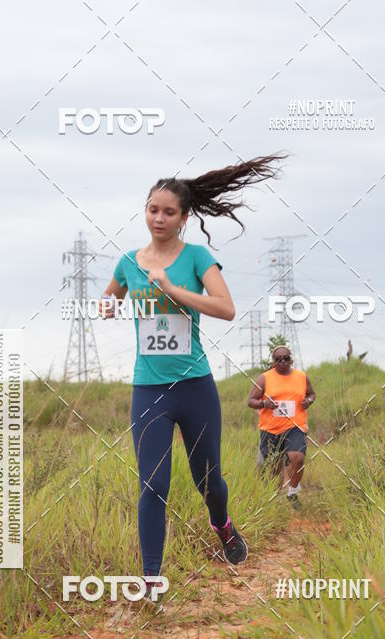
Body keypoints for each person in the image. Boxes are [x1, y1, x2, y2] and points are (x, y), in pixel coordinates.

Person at [101, 154, 287, 585]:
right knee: (152, 484)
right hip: (148, 389)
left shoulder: (198, 258)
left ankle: (222, 525)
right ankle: (151, 582)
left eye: (168, 212)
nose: (159, 218)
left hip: (195, 387)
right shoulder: (129, 261)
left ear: (184, 218)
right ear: (144, 211)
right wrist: (108, 305)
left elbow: (226, 308)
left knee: (209, 481)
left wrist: (174, 289)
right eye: (152, 209)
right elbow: (110, 296)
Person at [247, 346, 315, 504]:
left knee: (297, 458)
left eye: (286, 358)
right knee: (273, 468)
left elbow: (312, 394)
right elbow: (251, 401)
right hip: (270, 430)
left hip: (295, 427)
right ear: (273, 361)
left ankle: (292, 492)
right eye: (278, 359)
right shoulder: (264, 378)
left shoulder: (301, 377)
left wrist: (308, 401)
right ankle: (273, 500)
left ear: (291, 359)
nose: (283, 361)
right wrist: (264, 403)